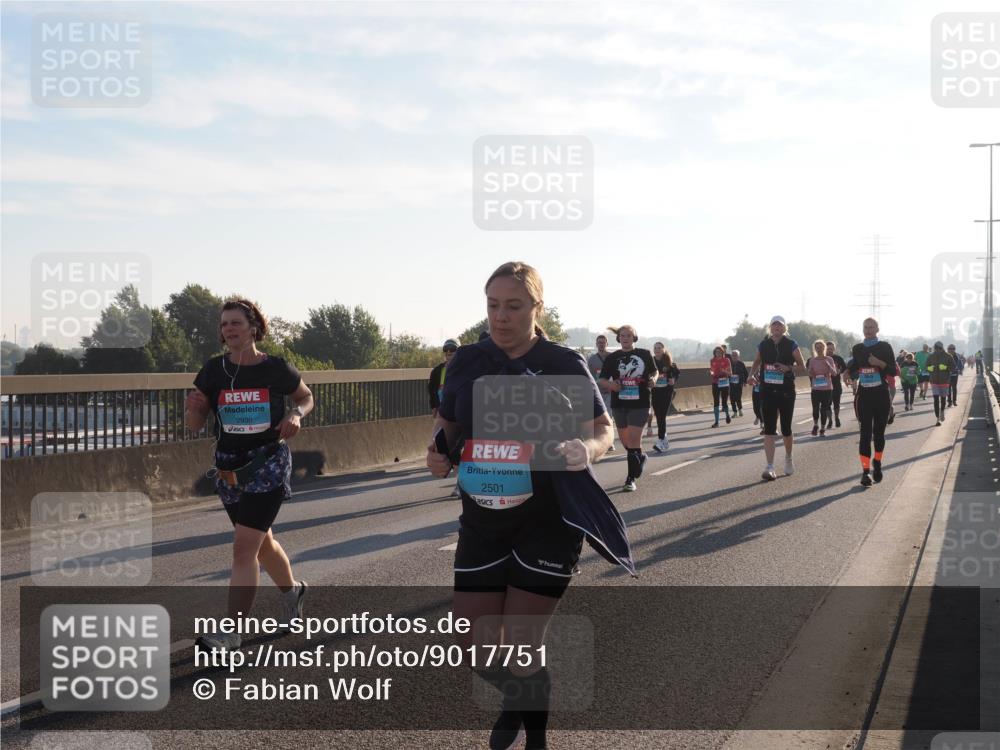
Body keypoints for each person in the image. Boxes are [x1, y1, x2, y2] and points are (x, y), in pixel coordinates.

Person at [427, 261, 616, 750]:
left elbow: (603, 429)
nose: (501, 316)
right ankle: (520, 696)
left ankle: (536, 739)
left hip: (549, 518)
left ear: (538, 308)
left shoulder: (562, 362)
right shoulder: (466, 361)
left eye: (513, 306)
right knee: (470, 643)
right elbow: (447, 425)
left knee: (522, 642)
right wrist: (438, 452)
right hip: (483, 517)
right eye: (493, 306)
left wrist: (587, 450)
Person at [186, 298, 313, 650]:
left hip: (268, 462)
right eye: (224, 324)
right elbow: (195, 425)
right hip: (229, 468)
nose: (228, 329)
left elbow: (305, 397)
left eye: (235, 323)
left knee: (243, 549)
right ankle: (293, 592)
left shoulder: (274, 368)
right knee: (261, 544)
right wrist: (194, 410)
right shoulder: (212, 371)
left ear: (253, 327)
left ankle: (231, 632)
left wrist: (296, 415)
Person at [600, 325, 656, 492]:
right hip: (619, 404)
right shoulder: (612, 358)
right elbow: (601, 380)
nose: (625, 338)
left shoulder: (644, 354)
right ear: (618, 338)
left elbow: (655, 372)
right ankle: (641, 457)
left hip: (640, 403)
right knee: (626, 443)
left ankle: (630, 479)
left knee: (633, 440)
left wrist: (653, 379)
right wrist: (611, 385)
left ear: (634, 337)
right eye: (622, 335)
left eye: (628, 335)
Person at [749, 316, 805, 480]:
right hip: (767, 390)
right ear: (770, 328)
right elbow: (756, 362)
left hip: (786, 390)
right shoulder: (764, 344)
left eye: (780, 325)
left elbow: (803, 367)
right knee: (769, 429)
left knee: (786, 428)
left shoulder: (791, 344)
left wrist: (788, 368)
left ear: (784, 328)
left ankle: (788, 458)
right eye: (774, 325)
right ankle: (770, 466)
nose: (777, 328)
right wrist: (751, 375)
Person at [844, 318, 895, 487]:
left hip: (881, 395)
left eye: (871, 327)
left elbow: (893, 371)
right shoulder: (858, 348)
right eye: (865, 327)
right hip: (864, 396)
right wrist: (847, 373)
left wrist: (879, 363)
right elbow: (854, 367)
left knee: (879, 433)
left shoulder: (885, 347)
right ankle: (865, 472)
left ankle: (877, 463)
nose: (868, 330)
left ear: (877, 329)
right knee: (865, 435)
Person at [587, 335, 616, 452]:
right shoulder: (592, 359)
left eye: (603, 342)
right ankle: (600, 440)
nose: (601, 344)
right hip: (597, 393)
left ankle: (609, 442)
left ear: (607, 344)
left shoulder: (612, 357)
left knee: (609, 416)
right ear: (596, 344)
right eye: (599, 342)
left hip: (610, 391)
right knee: (598, 418)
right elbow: (588, 375)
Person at [651, 341, 680, 453]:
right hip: (655, 392)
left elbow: (677, 373)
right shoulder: (651, 361)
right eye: (655, 348)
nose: (657, 350)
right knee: (658, 416)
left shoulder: (669, 362)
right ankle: (664, 440)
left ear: (663, 349)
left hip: (666, 392)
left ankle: (660, 440)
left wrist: (674, 380)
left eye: (659, 348)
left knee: (662, 415)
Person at [806, 340, 837, 436]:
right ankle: (815, 425)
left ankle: (822, 428)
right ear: (815, 349)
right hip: (816, 388)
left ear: (824, 348)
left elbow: (834, 373)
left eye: (821, 347)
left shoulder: (829, 359)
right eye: (817, 347)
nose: (819, 349)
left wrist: (829, 366)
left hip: (827, 389)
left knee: (824, 409)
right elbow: (809, 372)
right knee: (815, 408)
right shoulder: (812, 360)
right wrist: (811, 373)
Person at [429, 340, 459, 418]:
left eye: (452, 348)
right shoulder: (437, 371)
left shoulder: (464, 369)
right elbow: (431, 389)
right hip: (442, 412)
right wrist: (434, 407)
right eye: (446, 349)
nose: (448, 351)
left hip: (458, 411)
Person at [926, 341, 953, 426]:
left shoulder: (948, 356)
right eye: (936, 348)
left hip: (944, 381)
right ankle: (937, 419)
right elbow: (926, 367)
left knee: (943, 399)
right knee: (936, 399)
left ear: (942, 348)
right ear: (934, 348)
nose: (937, 350)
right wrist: (930, 368)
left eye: (939, 348)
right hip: (934, 381)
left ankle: (942, 411)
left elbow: (953, 367)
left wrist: (946, 367)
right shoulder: (931, 356)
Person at [709, 346, 733, 427]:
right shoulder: (712, 360)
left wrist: (724, 371)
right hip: (715, 382)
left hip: (724, 382)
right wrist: (711, 373)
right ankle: (716, 422)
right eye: (716, 352)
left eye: (719, 352)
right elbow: (712, 370)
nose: (718, 354)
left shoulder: (726, 360)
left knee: (724, 401)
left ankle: (727, 415)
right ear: (714, 353)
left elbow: (730, 373)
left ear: (723, 353)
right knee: (716, 401)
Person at [825, 341, 847, 429]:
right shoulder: (822, 358)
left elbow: (845, 368)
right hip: (825, 385)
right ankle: (830, 420)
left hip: (836, 384)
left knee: (836, 403)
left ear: (834, 349)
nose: (829, 350)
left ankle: (836, 417)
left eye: (831, 349)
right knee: (827, 404)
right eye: (828, 349)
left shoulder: (838, 358)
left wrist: (840, 371)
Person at [729, 350, 749, 417]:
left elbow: (746, 373)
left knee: (738, 397)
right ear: (731, 356)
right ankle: (735, 412)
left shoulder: (741, 363)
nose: (734, 357)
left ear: (738, 356)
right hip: (731, 383)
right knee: (732, 398)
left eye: (735, 355)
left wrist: (745, 382)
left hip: (739, 383)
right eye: (733, 355)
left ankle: (740, 410)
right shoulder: (729, 364)